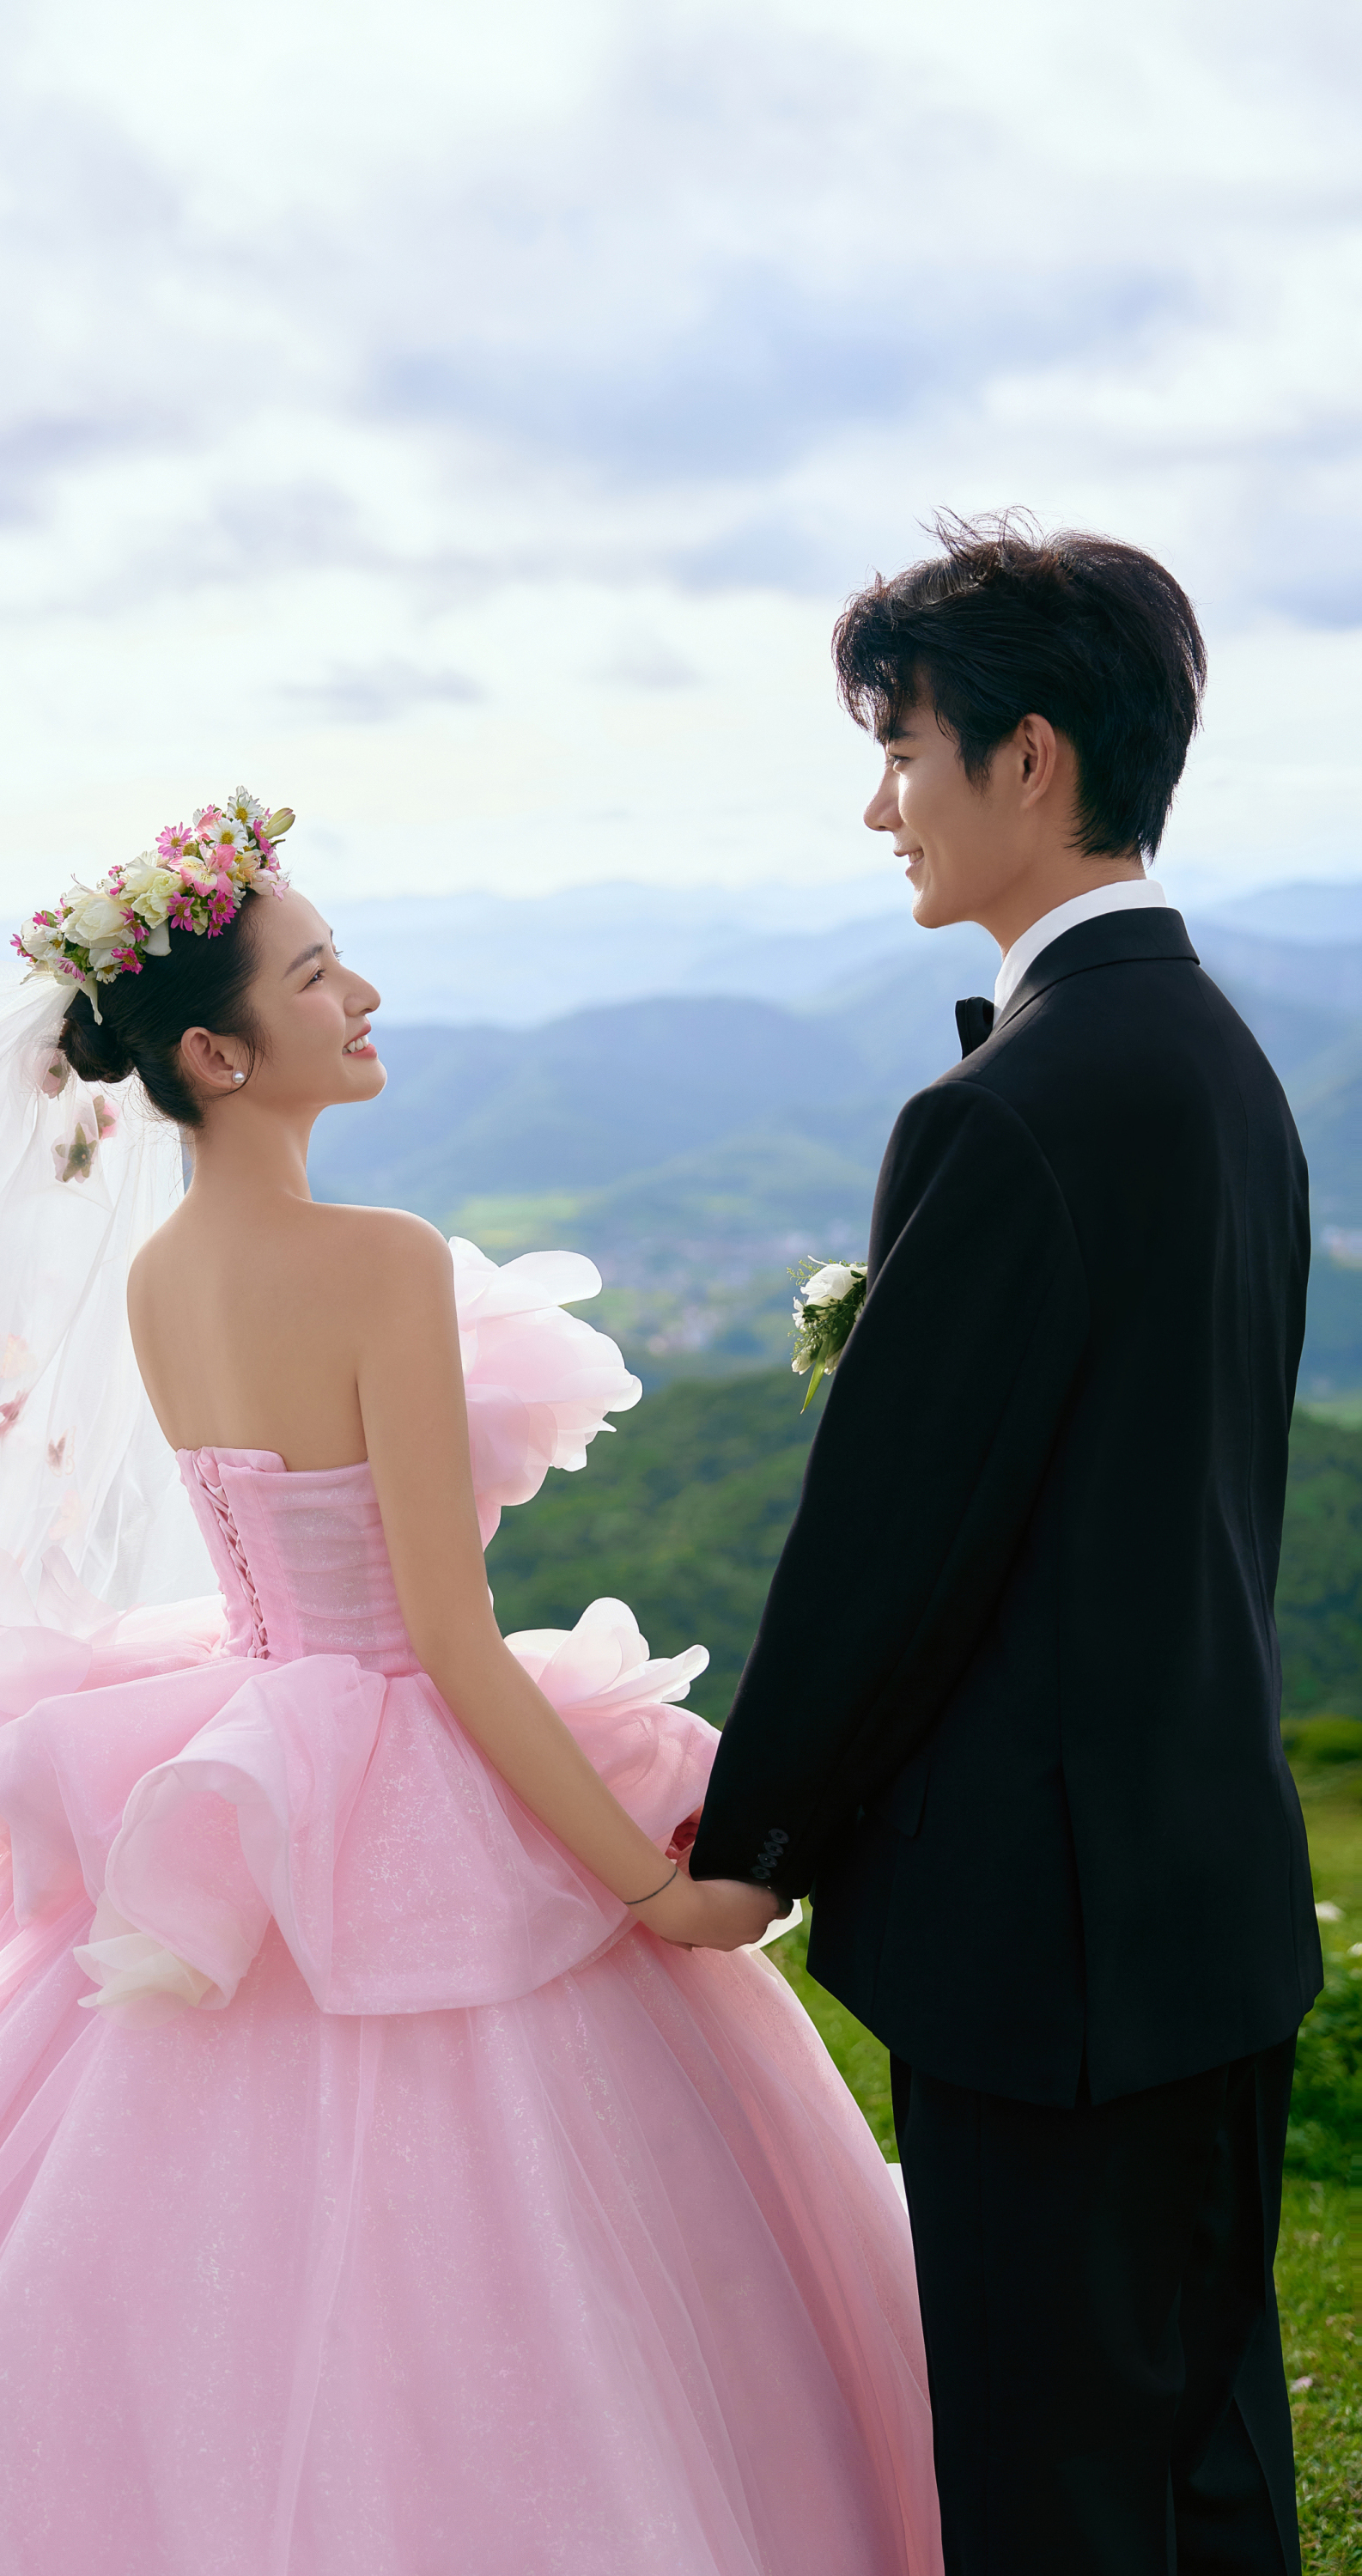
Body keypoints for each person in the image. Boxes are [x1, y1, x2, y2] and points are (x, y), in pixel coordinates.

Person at [0, 796, 939, 2573]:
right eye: (319, 974)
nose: (363, 996)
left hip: (241, 1727)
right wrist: (654, 1891)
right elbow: (446, 1639)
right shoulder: (378, 1260)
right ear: (216, 1052)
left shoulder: (164, 1276)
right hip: (391, 1736)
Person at [692, 515, 1321, 2575]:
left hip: (1044, 1952)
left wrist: (749, 1841)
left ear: (1026, 759)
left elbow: (892, 1541)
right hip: (1208, 1896)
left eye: (902, 750)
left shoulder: (1015, 1107)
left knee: (1054, 2486)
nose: (881, 807)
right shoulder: (1218, 1059)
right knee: (1203, 2457)